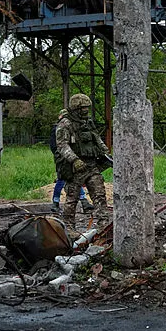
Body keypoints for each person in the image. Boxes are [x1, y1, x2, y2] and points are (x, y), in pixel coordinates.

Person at [55, 94, 111, 232]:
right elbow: (62, 145)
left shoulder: (88, 122)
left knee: (99, 195)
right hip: (75, 168)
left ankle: (103, 226)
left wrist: (106, 153)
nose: (86, 110)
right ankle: (69, 229)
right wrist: (74, 160)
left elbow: (96, 138)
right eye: (83, 108)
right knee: (72, 199)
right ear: (75, 109)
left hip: (92, 165)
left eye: (87, 107)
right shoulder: (65, 124)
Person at [49, 109, 90, 213]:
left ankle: (84, 201)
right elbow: (55, 146)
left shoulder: (70, 128)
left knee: (75, 178)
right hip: (63, 159)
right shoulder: (57, 128)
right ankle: (55, 203)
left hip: (70, 157)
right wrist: (60, 156)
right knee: (62, 179)